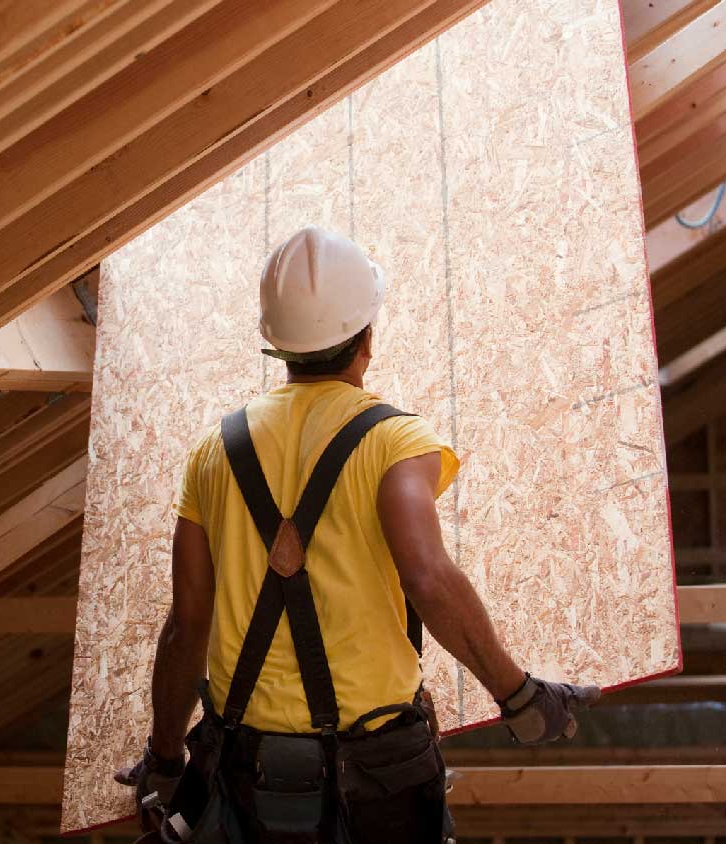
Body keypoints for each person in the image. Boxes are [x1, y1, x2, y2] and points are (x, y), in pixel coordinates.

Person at [115, 226, 599, 843]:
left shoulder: (215, 452)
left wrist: (163, 756)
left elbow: (188, 622)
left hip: (243, 773)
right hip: (377, 778)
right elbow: (426, 575)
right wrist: (520, 697)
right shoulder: (395, 441)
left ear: (278, 347)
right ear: (366, 338)